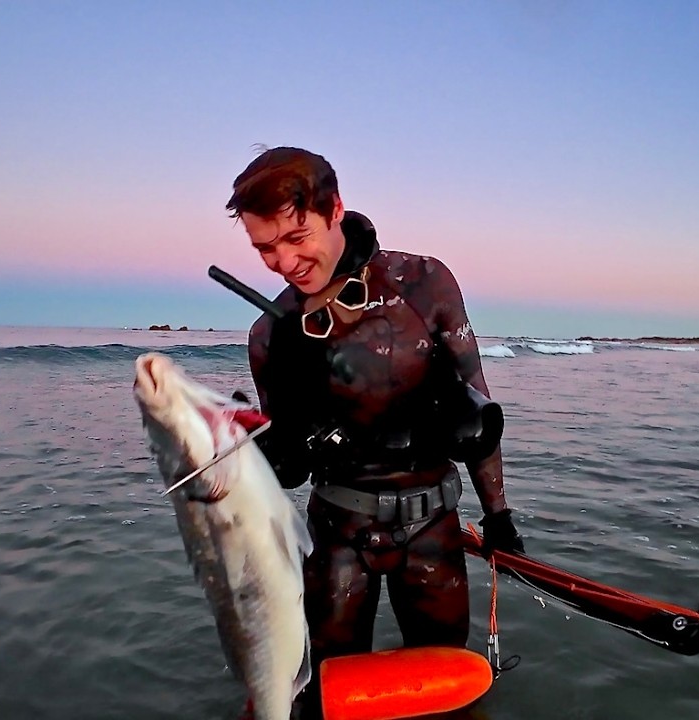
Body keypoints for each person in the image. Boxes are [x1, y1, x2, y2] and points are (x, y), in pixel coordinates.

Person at [225, 146, 525, 716]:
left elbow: (478, 410)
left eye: (296, 237)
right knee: (329, 693)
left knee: (444, 691)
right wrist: (252, 443)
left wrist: (498, 514)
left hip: (432, 526)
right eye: (265, 248)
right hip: (337, 532)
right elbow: (288, 469)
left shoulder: (425, 283)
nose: (284, 262)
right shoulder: (270, 335)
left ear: (335, 209)